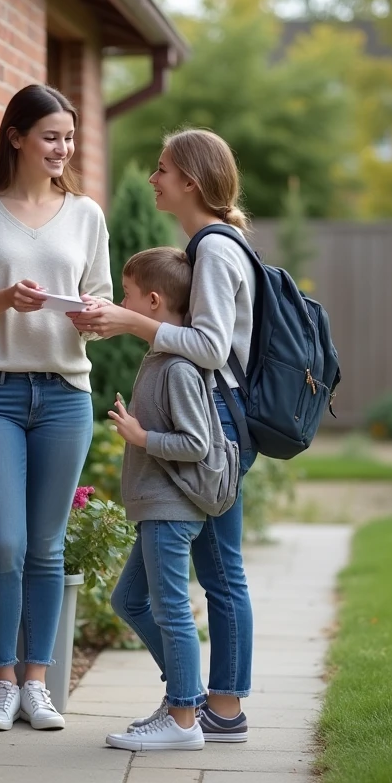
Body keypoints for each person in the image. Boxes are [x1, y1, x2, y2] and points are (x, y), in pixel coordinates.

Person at [0, 84, 113, 732]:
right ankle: (1, 680)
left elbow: (103, 304)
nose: (62, 148)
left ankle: (38, 682)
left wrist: (94, 318)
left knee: (46, 545)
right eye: (50, 136)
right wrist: (1, 299)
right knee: (4, 541)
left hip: (65, 395)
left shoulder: (87, 215)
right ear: (16, 138)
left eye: (68, 136)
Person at [70, 129, 257, 742]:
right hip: (212, 417)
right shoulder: (203, 247)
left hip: (216, 421)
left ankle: (213, 709)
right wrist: (122, 321)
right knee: (193, 580)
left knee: (219, 575)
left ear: (191, 182)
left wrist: (130, 321)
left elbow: (206, 348)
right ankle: (198, 702)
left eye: (162, 169)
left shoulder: (216, 250)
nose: (152, 179)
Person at [99, 247, 236, 752]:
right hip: (159, 507)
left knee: (171, 609)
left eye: (128, 294)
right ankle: (185, 696)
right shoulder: (163, 357)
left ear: (153, 301)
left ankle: (182, 722)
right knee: (128, 600)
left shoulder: (177, 365)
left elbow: (196, 444)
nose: (121, 301)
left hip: (170, 508)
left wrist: (141, 439)